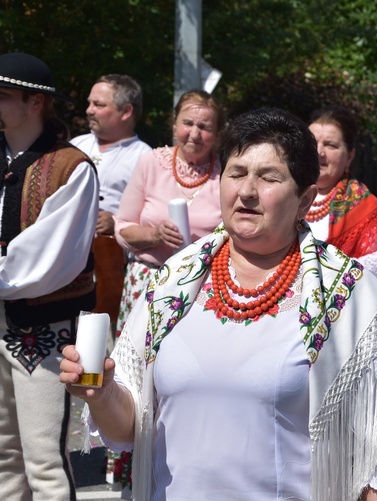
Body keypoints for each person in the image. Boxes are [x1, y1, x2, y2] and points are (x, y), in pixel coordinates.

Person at [60, 107, 377, 500]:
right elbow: (127, 429)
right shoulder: (173, 281)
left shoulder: (350, 297)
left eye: (269, 177)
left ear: (305, 199)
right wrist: (103, 392)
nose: (246, 190)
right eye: (237, 172)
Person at [109, 89, 223, 492]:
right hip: (147, 282)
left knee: (183, 375)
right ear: (174, 125)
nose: (194, 133)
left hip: (201, 290)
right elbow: (122, 228)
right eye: (188, 123)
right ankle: (131, 464)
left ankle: (183, 455)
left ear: (217, 133)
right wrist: (154, 233)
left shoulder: (225, 173)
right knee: (138, 376)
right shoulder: (150, 163)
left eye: (205, 127)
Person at [0, 52, 99, 500]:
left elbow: (50, 258)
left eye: (2, 96)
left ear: (35, 102)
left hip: (44, 332)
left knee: (45, 462)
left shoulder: (71, 167)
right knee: (3, 460)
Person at [71, 74, 152, 324]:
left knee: (103, 340)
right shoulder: (74, 146)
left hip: (114, 270)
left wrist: (116, 221)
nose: (89, 110)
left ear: (126, 111)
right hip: (70, 263)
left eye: (99, 104)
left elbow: (154, 218)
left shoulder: (146, 157)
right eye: (89, 103)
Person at [306, 105, 377, 283]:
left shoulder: (366, 206)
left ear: (350, 156)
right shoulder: (281, 194)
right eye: (312, 144)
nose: (318, 152)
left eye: (330, 145)